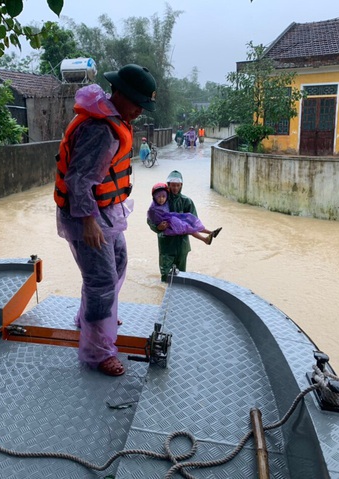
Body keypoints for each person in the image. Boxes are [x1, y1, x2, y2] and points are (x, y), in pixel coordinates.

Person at [54, 64, 157, 377]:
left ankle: (95, 317)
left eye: (144, 104)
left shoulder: (115, 120)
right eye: (137, 102)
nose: (140, 110)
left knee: (118, 262)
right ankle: (98, 351)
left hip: (106, 210)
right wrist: (88, 223)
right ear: (119, 94)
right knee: (100, 281)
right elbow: (78, 180)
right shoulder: (100, 128)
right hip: (87, 214)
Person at [147, 170, 198, 282]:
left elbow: (194, 221)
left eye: (177, 186)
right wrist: (158, 227)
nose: (175, 188)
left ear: (181, 186)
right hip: (166, 246)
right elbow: (150, 219)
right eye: (173, 185)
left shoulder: (187, 201)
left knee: (181, 277)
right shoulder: (161, 199)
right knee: (165, 278)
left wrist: (182, 225)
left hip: (182, 245)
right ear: (168, 186)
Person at [148, 182, 221, 245]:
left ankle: (210, 233)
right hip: (168, 228)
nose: (161, 199)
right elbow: (150, 221)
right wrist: (158, 227)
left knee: (190, 221)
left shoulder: (182, 201)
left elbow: (194, 217)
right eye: (159, 197)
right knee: (188, 227)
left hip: (173, 221)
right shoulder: (153, 209)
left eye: (163, 196)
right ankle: (206, 238)